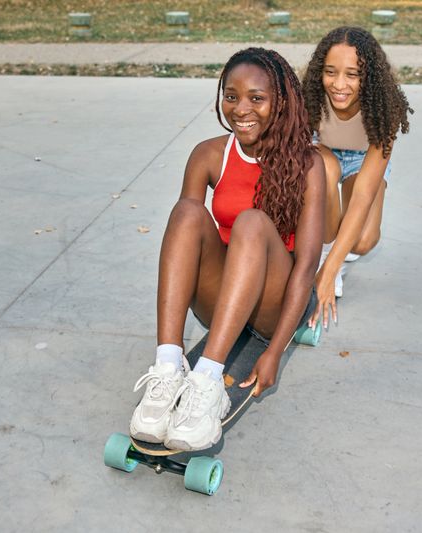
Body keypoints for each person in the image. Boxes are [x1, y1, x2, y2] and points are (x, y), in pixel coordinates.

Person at [129, 47, 325, 452]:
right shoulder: (208, 154)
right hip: (223, 297)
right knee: (186, 212)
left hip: (270, 303)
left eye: (257, 98)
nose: (241, 109)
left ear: (282, 102)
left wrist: (275, 351)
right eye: (231, 96)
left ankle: (207, 381)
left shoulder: (308, 164)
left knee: (252, 222)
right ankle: (167, 368)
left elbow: (306, 267)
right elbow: (186, 244)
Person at [302, 26, 412, 329]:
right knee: (323, 169)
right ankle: (325, 254)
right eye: (330, 72)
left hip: (361, 161)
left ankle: (332, 260)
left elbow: (363, 193)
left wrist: (333, 266)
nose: (339, 84)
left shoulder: (384, 110)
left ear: (370, 77)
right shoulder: (309, 98)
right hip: (323, 154)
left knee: (363, 240)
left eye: (353, 74)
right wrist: (328, 265)